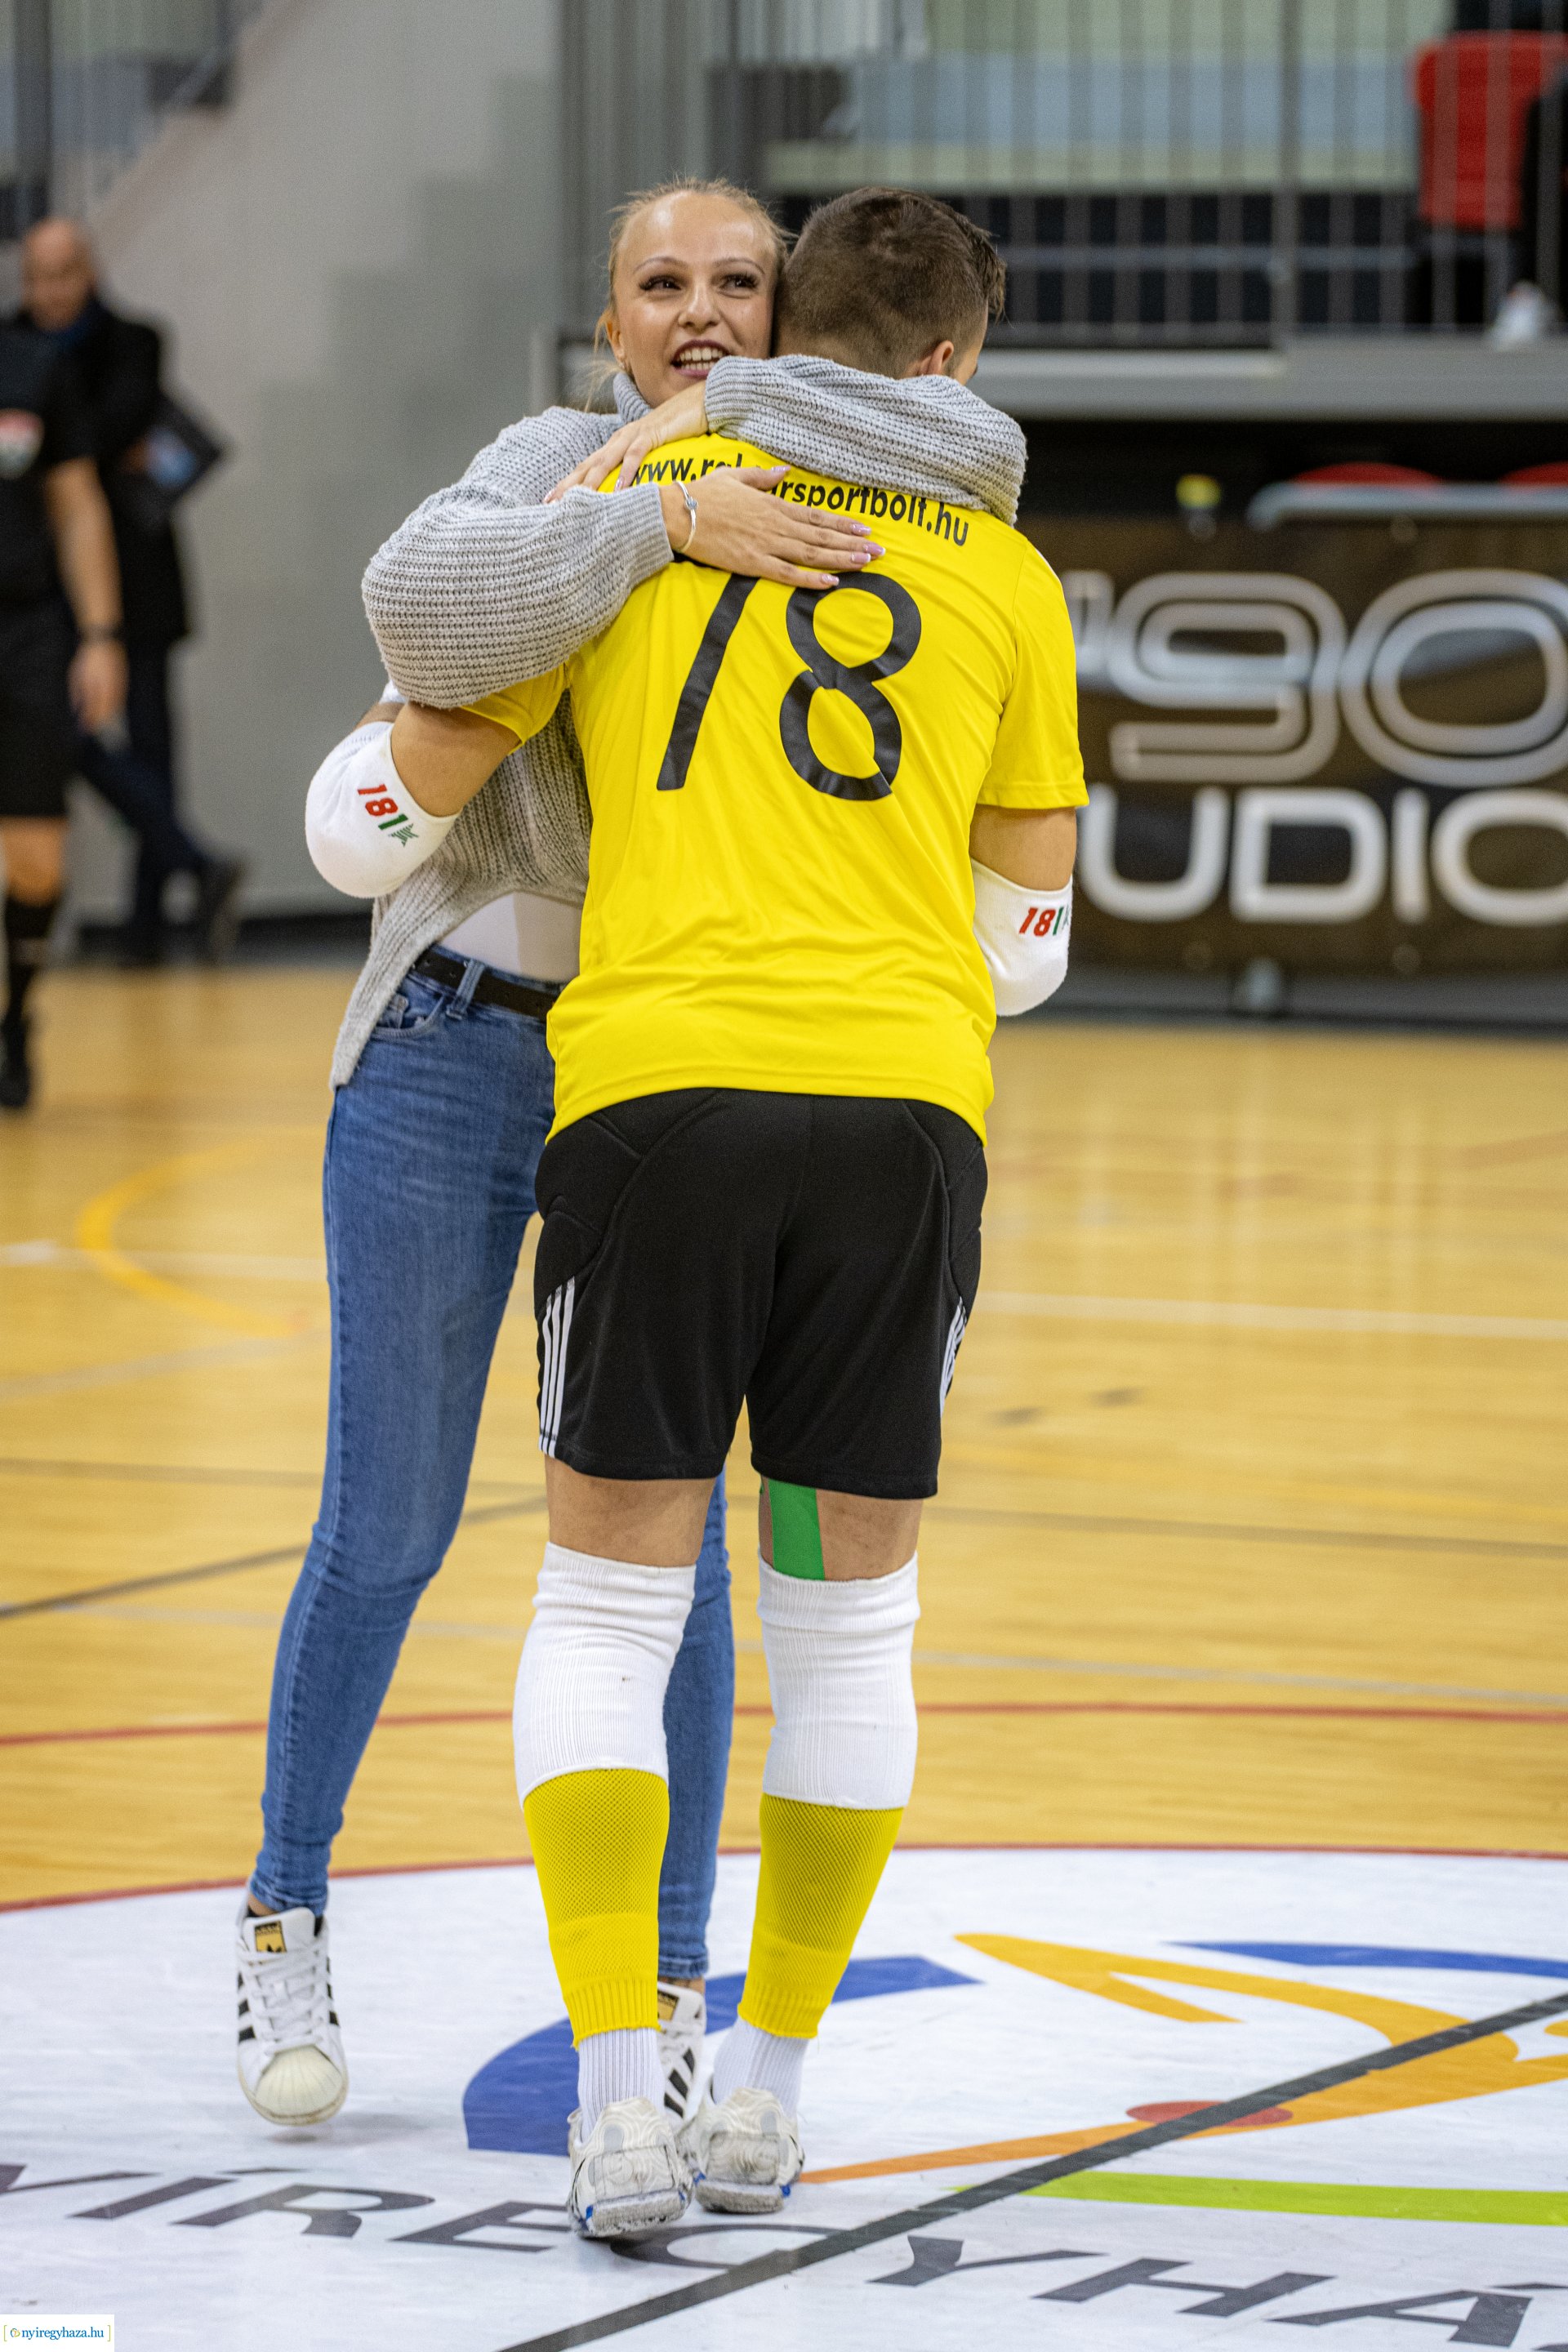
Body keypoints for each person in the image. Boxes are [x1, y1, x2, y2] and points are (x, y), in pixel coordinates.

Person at [381, 186, 1085, 2238]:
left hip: (659, 1098)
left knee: (606, 1610)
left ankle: (621, 2098)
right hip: (898, 1118)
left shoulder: (648, 479)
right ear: (953, 355)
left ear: (783, 324)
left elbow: (425, 740)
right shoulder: (1016, 577)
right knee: (846, 1621)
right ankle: (764, 2089)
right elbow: (1026, 924)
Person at [234, 179, 883, 2136]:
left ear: (799, 308)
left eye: (737, 283)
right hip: (446, 1047)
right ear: (608, 324)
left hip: (656, 1076)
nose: (699, 310)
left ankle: (668, 1988)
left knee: (662, 1552)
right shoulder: (557, 457)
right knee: (393, 1523)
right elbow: (421, 592)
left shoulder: (857, 517)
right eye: (660, 285)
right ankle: (283, 1915)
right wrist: (658, 503)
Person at [16, 217, 243, 964]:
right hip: (47, 594)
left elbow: (97, 431)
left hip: (139, 587)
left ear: (90, 271)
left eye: (64, 273)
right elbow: (100, 441)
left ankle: (149, 930)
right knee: (68, 738)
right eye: (37, 276)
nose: (50, 291)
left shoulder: (136, 340)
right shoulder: (15, 345)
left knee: (153, 745)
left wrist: (57, 430)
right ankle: (197, 863)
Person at [0, 311, 127, 1110]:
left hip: (27, 634)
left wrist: (101, 634)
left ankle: (16, 1018)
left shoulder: (31, 368)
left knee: (35, 855)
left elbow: (77, 506)